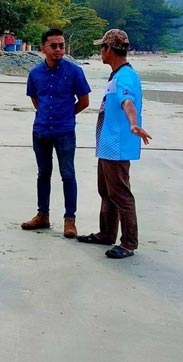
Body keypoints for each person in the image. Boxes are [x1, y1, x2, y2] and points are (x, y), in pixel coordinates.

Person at [76, 29, 152, 259]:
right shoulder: (118, 74)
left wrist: (133, 123)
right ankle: (107, 233)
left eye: (102, 47)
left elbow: (127, 102)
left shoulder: (125, 77)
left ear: (109, 49)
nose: (101, 51)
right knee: (106, 192)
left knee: (120, 195)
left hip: (117, 145)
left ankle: (128, 243)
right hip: (108, 144)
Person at [21, 28, 91, 238]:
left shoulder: (75, 71)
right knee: (43, 174)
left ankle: (70, 220)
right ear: (43, 48)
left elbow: (84, 101)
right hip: (41, 131)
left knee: (68, 175)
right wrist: (48, 116)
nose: (58, 49)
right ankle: (42, 215)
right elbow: (36, 100)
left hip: (65, 132)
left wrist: (66, 115)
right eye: (54, 46)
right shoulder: (35, 74)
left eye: (61, 45)